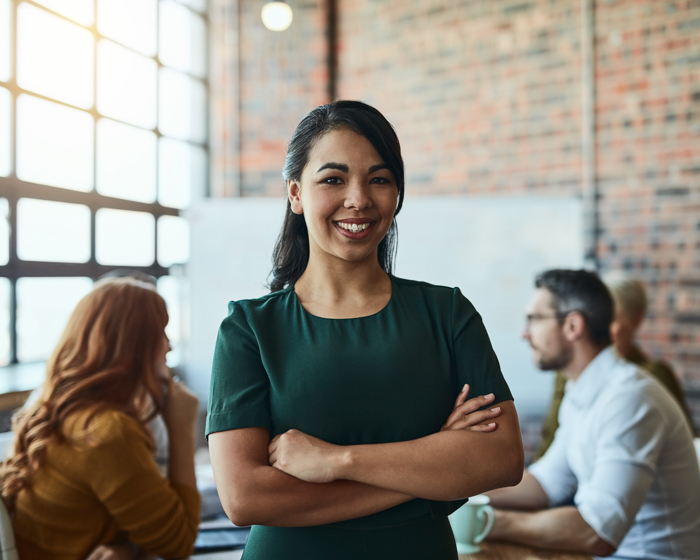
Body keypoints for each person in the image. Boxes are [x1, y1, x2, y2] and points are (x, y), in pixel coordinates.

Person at [206, 100, 524, 560]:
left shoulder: (447, 313)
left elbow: (501, 459)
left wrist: (337, 462)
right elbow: (246, 499)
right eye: (333, 179)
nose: (358, 199)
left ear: (396, 194)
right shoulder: (249, 329)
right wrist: (431, 472)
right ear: (295, 194)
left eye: (379, 179)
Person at [485, 269, 700, 558]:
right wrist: (455, 496)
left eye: (535, 319)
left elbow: (598, 532)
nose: (524, 333)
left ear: (573, 326)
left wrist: (485, 522)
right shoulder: (581, 389)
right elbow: (545, 484)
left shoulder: (630, 399)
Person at [0, 278, 201, 560]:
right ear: (133, 345)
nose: (168, 346)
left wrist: (129, 548)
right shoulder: (106, 432)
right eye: (161, 332)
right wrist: (181, 429)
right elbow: (178, 545)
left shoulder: (60, 409)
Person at [536, 271, 692, 460]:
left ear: (635, 320)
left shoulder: (644, 381)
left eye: (611, 319)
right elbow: (551, 447)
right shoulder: (572, 373)